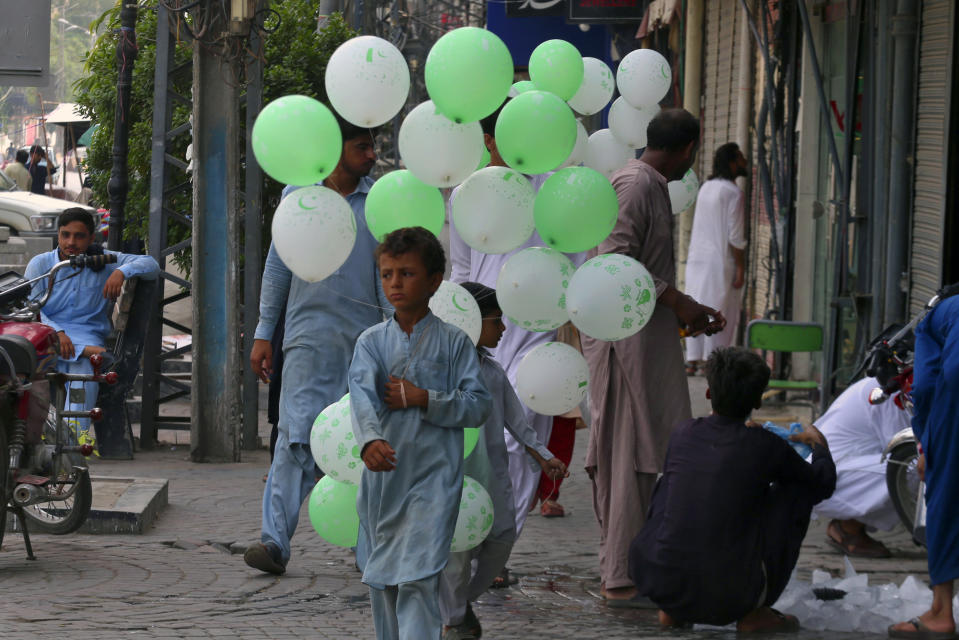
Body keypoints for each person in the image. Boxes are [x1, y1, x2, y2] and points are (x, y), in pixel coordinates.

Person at [581, 108, 726, 606]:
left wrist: (686, 310)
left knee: (648, 452)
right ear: (688, 149)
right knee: (626, 453)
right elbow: (615, 262)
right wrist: (678, 301)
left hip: (645, 339)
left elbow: (647, 271)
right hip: (624, 345)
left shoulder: (649, 184)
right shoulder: (636, 184)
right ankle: (619, 575)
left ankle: (635, 565)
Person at [244, 117, 383, 575]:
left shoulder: (379, 201)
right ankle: (273, 542)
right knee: (295, 437)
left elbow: (390, 276)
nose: (371, 155)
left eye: (372, 146)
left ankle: (368, 553)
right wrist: (265, 332)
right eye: (362, 146)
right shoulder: (297, 198)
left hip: (366, 343)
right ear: (335, 148)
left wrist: (393, 340)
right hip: (306, 339)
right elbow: (277, 268)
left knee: (363, 443)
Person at [448, 104, 585, 535]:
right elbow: (463, 272)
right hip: (484, 333)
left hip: (538, 336)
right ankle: (478, 536)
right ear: (490, 141)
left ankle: (501, 544)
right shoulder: (467, 194)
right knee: (483, 444)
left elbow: (575, 259)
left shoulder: (556, 193)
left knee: (525, 441)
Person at [349, 227, 492, 640]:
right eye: (388, 274)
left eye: (407, 273)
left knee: (419, 578)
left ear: (433, 281)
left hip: (434, 479)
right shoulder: (371, 343)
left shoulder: (454, 344)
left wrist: (425, 397)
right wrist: (370, 441)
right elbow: (360, 399)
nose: (395, 283)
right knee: (384, 582)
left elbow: (479, 404)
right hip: (384, 480)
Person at [631, 347, 837, 631]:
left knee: (676, 484)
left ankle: (673, 609)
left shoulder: (683, 433)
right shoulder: (765, 444)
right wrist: (820, 446)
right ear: (757, 401)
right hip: (733, 593)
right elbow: (822, 483)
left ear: (708, 394)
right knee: (795, 491)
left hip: (659, 578)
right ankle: (755, 609)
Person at [438, 281, 567, 640]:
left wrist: (543, 455)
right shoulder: (443, 371)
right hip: (457, 479)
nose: (504, 329)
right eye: (497, 321)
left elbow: (517, 419)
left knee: (501, 540)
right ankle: (452, 619)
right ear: (471, 321)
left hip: (492, 477)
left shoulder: (492, 371)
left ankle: (460, 606)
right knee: (458, 555)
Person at [24, 208, 159, 450]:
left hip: (86, 336)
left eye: (79, 236)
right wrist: (58, 332)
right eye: (65, 235)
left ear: (91, 238)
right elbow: (34, 307)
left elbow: (151, 264)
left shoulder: (102, 260)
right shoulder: (42, 264)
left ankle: (74, 444)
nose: (71, 243)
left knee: (85, 369)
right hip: (48, 336)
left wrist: (120, 271)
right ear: (58, 234)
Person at [889, 294, 959, 639]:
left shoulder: (936, 317)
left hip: (954, 402)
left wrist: (924, 441)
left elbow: (927, 383)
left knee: (945, 499)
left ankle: (941, 611)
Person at [812, 376, 911, 558]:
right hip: (829, 477)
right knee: (910, 468)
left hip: (844, 467)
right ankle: (848, 529)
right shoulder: (889, 391)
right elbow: (905, 448)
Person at [683, 142, 748, 375]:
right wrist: (741, 267)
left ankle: (693, 360)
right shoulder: (734, 193)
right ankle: (714, 362)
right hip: (721, 263)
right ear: (732, 162)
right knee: (721, 311)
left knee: (696, 306)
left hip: (697, 260)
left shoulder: (706, 187)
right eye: (740, 157)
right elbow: (735, 236)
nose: (745, 161)